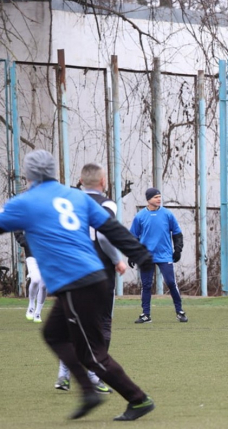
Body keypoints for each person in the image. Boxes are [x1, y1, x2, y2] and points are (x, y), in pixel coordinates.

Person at [0, 150, 155, 421]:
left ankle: (138, 400)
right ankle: (88, 392)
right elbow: (112, 228)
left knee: (92, 355)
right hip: (91, 279)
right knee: (54, 334)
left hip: (76, 283)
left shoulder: (25, 202)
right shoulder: (75, 196)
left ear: (28, 174)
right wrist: (141, 255)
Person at [54, 163, 128, 394]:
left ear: (80, 181)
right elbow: (104, 236)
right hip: (99, 272)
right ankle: (95, 376)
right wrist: (117, 260)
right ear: (103, 181)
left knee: (72, 323)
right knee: (102, 322)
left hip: (70, 270)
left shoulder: (66, 203)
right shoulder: (107, 204)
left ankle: (63, 376)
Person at [129, 187, 187, 323]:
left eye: (160, 196)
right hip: (146, 256)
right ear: (148, 199)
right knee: (146, 285)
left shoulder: (167, 214)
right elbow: (133, 237)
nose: (159, 199)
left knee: (171, 282)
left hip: (164, 255)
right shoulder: (140, 216)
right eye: (156, 197)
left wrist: (178, 250)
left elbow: (177, 233)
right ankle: (146, 314)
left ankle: (180, 312)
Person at [15, 231, 47, 323]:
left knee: (44, 286)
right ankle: (31, 304)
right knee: (36, 280)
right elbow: (17, 229)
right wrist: (25, 241)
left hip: (47, 254)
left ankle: (37, 313)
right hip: (32, 254)